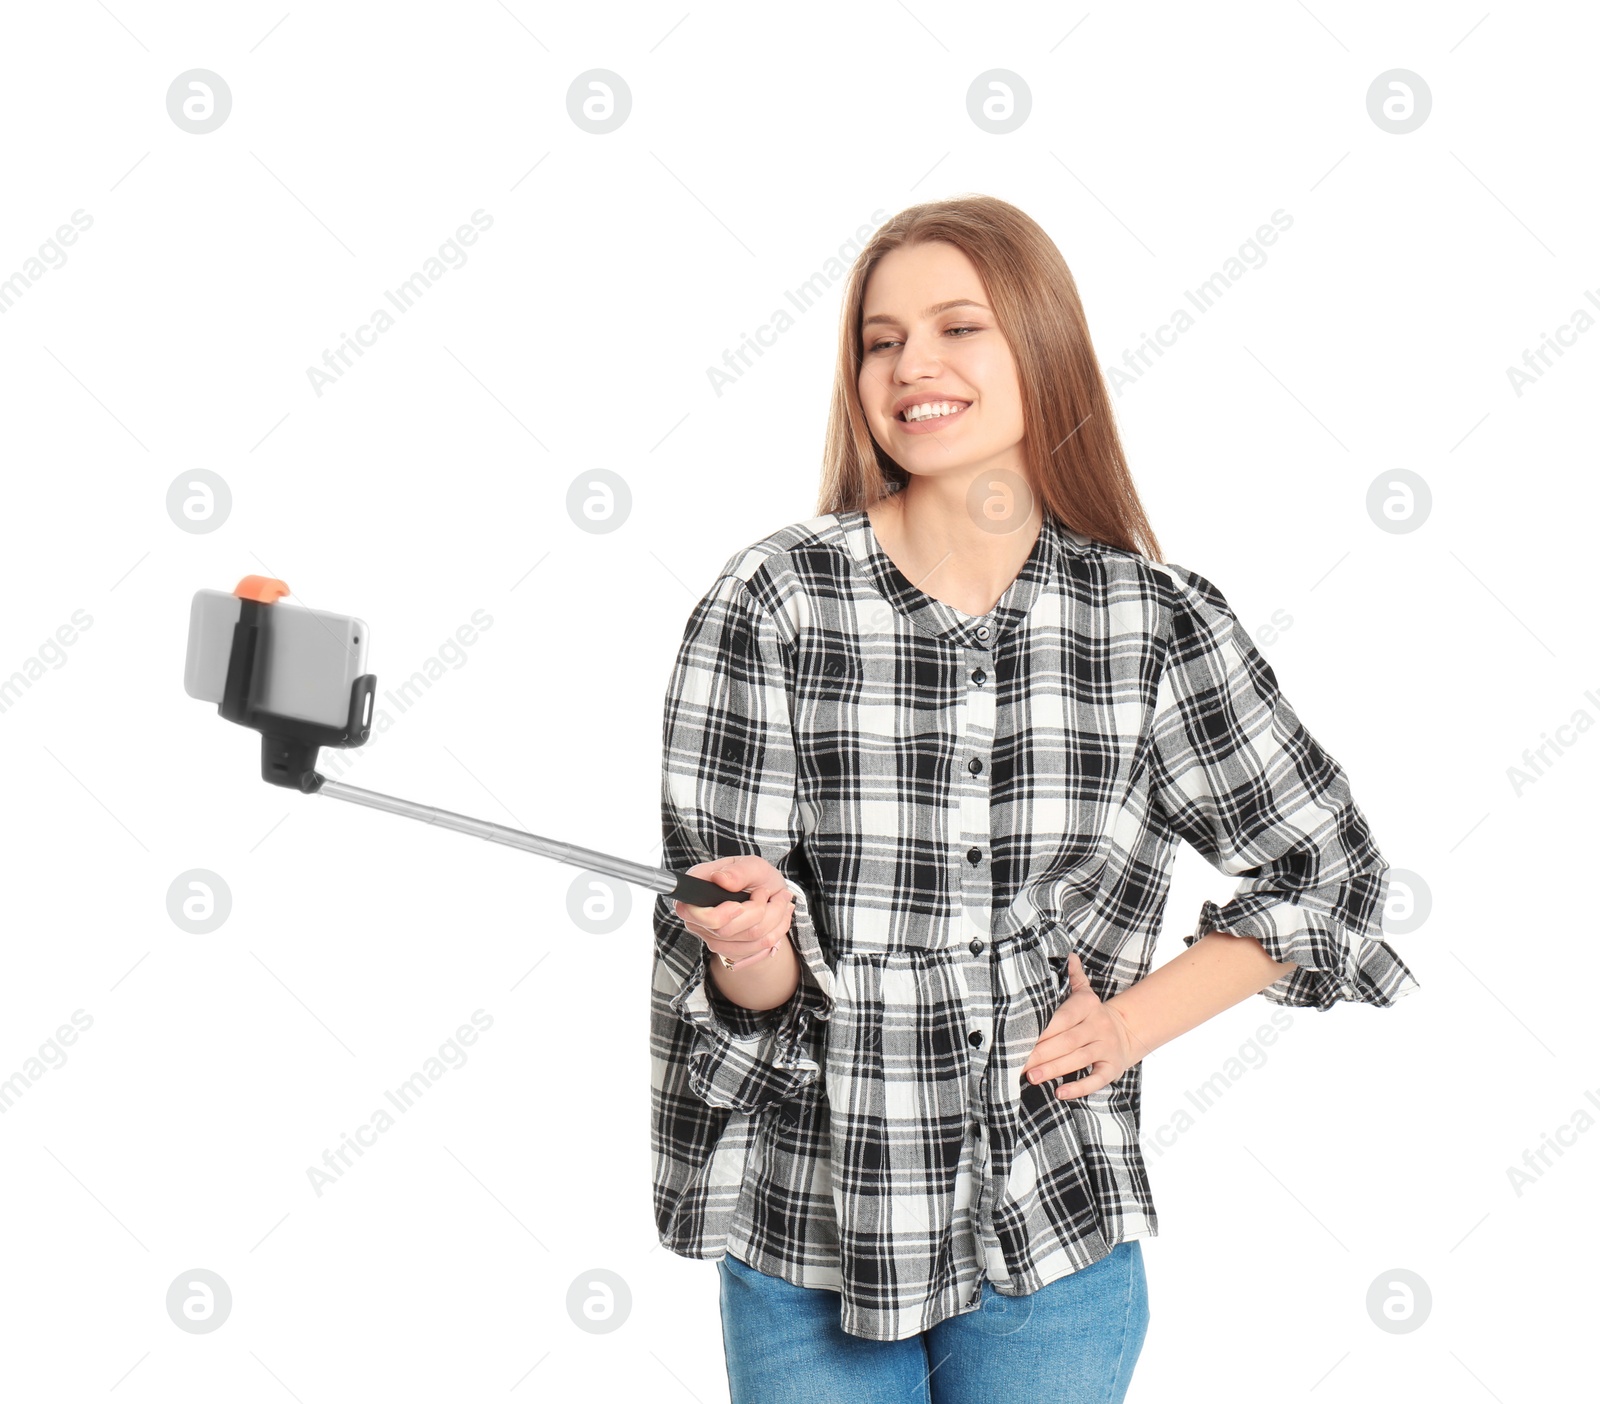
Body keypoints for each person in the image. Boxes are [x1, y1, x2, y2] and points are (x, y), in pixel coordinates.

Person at [649, 194, 1420, 1404]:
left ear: (1040, 348)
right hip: (811, 1222)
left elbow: (1330, 877)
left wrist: (1127, 1027)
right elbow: (743, 987)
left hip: (1050, 1217)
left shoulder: (1150, 622)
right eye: (880, 338)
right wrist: (749, 945)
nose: (914, 367)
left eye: (959, 327)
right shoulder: (774, 602)